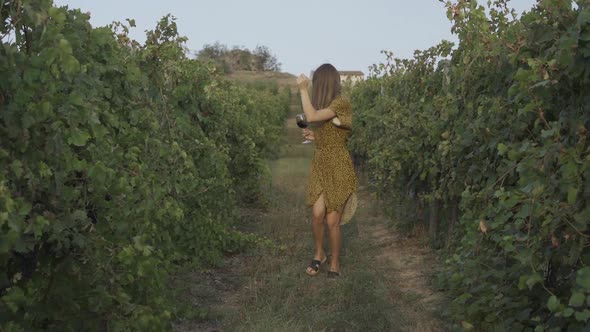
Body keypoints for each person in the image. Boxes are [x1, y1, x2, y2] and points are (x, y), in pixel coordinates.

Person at [296, 63, 357, 278]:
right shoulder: (326, 106)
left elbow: (310, 117)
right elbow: (330, 132)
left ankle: (335, 261)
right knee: (317, 214)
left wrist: (302, 89)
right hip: (320, 163)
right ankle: (319, 253)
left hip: (338, 165)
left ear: (323, 83)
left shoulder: (341, 102)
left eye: (315, 83)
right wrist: (315, 137)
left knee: (332, 221)